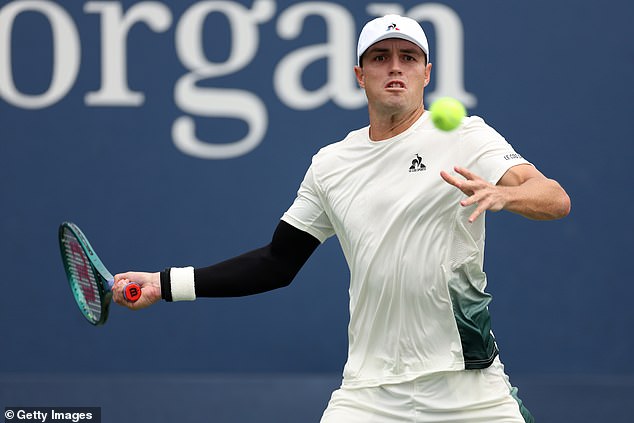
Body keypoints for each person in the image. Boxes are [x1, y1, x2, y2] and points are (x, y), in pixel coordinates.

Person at [113, 14, 570, 423]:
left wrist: (502, 195)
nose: (395, 67)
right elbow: (277, 262)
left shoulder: (466, 136)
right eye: (380, 57)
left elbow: (553, 197)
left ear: (426, 74)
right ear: (360, 74)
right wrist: (163, 283)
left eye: (409, 57)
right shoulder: (331, 165)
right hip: (369, 393)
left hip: (468, 388)